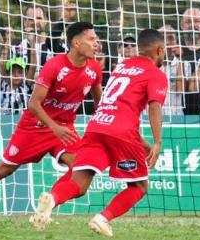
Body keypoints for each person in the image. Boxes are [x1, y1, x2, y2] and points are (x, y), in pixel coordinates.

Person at [0, 22, 103, 222]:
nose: (97, 44)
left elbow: (99, 103)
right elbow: (34, 104)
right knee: (2, 170)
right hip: (35, 126)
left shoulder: (94, 68)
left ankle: (47, 206)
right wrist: (54, 127)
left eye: (96, 39)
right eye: (92, 39)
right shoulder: (55, 66)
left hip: (64, 129)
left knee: (81, 167)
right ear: (76, 43)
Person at [30, 29, 167, 237]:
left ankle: (53, 199)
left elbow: (117, 107)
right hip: (122, 132)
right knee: (139, 186)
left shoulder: (122, 67)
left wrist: (142, 142)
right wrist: (157, 142)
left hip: (97, 125)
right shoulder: (156, 74)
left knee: (80, 182)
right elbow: (155, 107)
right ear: (159, 50)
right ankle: (102, 219)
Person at [179, 8, 200, 115]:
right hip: (177, 116)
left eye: (197, 21)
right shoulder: (174, 47)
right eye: (188, 22)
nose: (192, 25)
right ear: (182, 25)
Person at [159, 25, 188, 116]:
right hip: (151, 118)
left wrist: (180, 58)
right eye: (162, 38)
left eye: (170, 38)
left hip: (176, 117)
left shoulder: (185, 64)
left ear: (176, 42)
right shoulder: (147, 65)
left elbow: (180, 89)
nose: (166, 42)